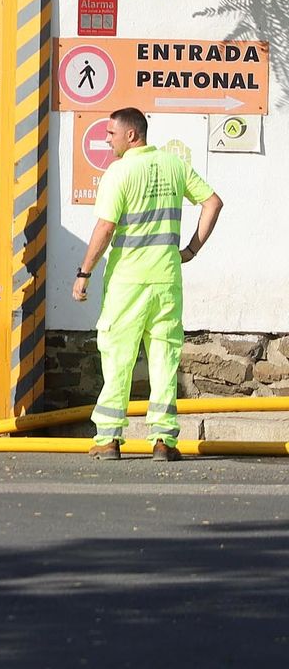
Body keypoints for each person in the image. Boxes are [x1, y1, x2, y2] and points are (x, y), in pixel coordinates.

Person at [73, 107, 223, 462]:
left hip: (128, 283)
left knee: (118, 358)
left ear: (131, 135)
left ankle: (109, 439)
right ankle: (164, 440)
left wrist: (84, 273)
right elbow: (212, 203)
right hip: (167, 280)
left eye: (111, 133)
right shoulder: (174, 165)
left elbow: (105, 228)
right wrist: (190, 250)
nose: (106, 139)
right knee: (165, 359)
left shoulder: (119, 172)